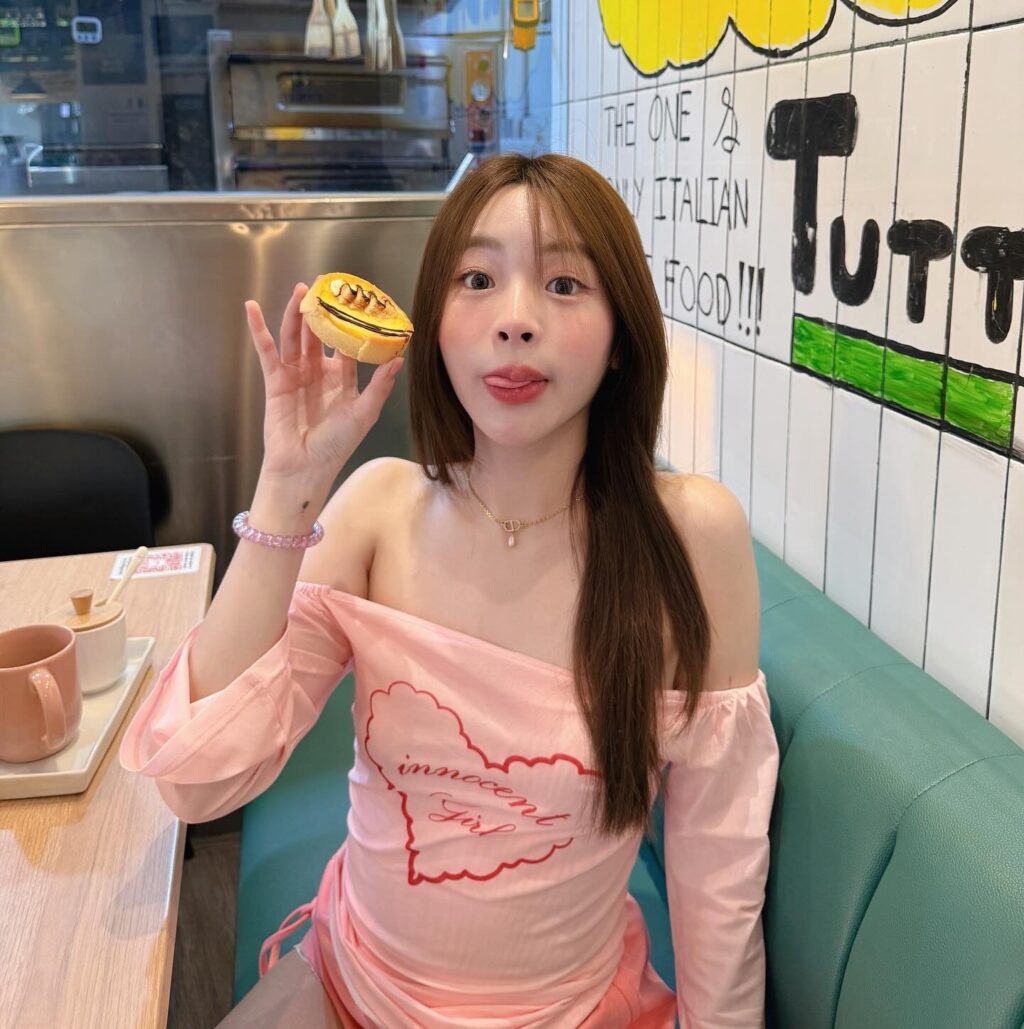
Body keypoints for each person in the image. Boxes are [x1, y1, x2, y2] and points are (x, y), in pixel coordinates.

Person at [120, 152, 780, 1028]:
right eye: (477, 279)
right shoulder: (378, 510)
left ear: (622, 335)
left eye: (564, 284)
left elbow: (717, 855)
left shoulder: (691, 536)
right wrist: (286, 490)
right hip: (350, 984)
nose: (515, 321)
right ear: (433, 320)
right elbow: (197, 783)